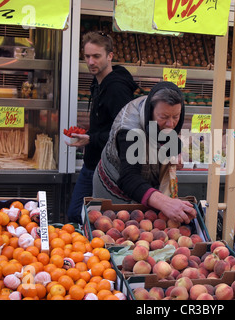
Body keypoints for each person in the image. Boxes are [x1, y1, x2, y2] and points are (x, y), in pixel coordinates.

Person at [93, 81, 197, 224]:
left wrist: (174, 152)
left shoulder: (163, 112)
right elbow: (129, 178)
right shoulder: (130, 131)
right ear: (150, 112)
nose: (170, 124)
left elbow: (168, 136)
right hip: (115, 188)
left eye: (176, 116)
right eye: (164, 117)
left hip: (143, 185)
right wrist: (165, 203)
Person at [66, 31, 138, 223]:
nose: (90, 62)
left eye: (96, 56)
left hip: (106, 170)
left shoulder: (117, 89)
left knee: (90, 219)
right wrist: (87, 135)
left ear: (110, 56)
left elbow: (126, 132)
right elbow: (107, 123)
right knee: (77, 215)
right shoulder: (98, 82)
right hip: (92, 163)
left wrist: (92, 138)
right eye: (87, 56)